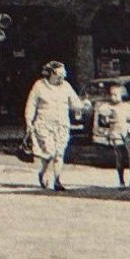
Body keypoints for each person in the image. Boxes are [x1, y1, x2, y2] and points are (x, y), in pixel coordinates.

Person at [25, 60, 86, 192]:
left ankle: (57, 180)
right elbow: (31, 104)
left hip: (62, 125)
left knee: (59, 154)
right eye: (60, 73)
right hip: (44, 124)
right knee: (49, 153)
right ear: (52, 73)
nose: (63, 76)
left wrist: (82, 105)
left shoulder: (66, 86)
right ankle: (43, 173)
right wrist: (29, 121)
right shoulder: (39, 86)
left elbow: (74, 102)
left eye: (64, 74)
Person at [96, 83, 130, 189]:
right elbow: (104, 120)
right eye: (112, 95)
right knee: (119, 156)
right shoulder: (108, 107)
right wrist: (106, 119)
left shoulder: (129, 107)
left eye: (116, 94)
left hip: (128, 132)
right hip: (116, 132)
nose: (114, 97)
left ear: (123, 94)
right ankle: (121, 181)